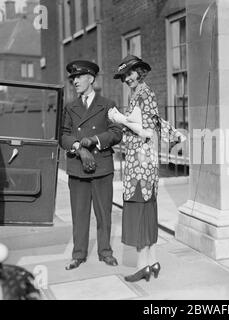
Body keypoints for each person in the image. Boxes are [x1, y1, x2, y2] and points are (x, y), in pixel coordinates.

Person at [109, 54, 185, 282]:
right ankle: (152, 261)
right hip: (145, 162)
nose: (127, 79)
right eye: (124, 76)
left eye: (130, 73)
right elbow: (155, 122)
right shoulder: (142, 93)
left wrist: (118, 118)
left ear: (140, 71)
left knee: (139, 211)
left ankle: (143, 266)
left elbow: (146, 128)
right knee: (148, 210)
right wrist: (174, 134)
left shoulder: (143, 93)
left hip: (139, 163)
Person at [60, 60, 123, 270]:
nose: (75, 81)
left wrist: (93, 140)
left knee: (104, 213)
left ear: (91, 79)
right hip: (78, 168)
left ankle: (105, 252)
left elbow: (116, 133)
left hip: (102, 167)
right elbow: (63, 136)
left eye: (78, 77)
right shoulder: (70, 107)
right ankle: (78, 254)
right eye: (73, 78)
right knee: (79, 214)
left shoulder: (107, 104)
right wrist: (79, 146)